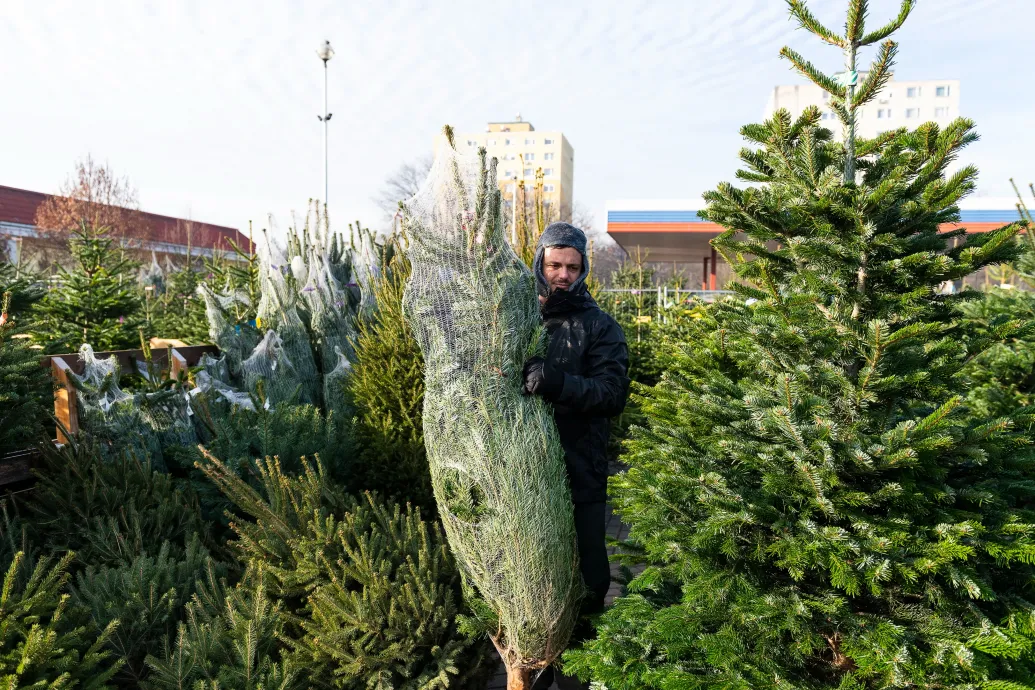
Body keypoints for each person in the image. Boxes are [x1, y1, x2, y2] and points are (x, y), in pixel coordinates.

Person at [521, 221, 630, 689]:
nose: (562, 274)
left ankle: (578, 674)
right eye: (554, 265)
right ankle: (534, 668)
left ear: (583, 270)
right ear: (540, 264)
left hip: (579, 471)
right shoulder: (518, 319)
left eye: (572, 266)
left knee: (589, 577)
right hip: (524, 476)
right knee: (533, 575)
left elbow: (612, 393)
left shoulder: (599, 326)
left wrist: (558, 382)